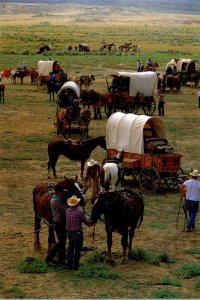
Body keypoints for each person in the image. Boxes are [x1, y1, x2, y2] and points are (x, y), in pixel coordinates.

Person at [66, 195, 92, 270]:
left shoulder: (67, 211)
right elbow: (85, 221)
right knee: (77, 250)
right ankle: (75, 266)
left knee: (70, 249)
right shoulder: (79, 212)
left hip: (70, 233)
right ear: (76, 204)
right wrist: (91, 223)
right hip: (77, 233)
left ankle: (69, 265)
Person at [45, 183, 67, 266]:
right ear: (58, 192)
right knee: (61, 242)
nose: (62, 193)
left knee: (63, 241)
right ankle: (49, 257)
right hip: (59, 223)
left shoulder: (55, 198)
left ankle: (62, 259)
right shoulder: (56, 201)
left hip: (58, 223)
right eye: (62, 192)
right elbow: (64, 211)